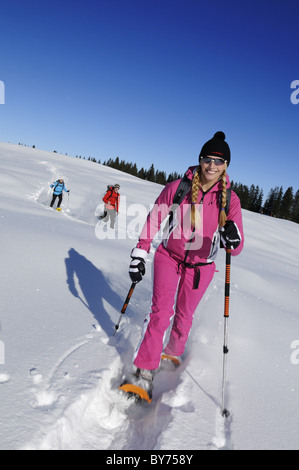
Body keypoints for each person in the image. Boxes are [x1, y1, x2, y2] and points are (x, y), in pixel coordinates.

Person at [121, 131, 244, 400]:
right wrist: (140, 252)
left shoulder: (230, 200)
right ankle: (144, 374)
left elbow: (236, 246)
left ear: (226, 166)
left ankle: (173, 353)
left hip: (202, 266)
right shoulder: (179, 188)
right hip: (169, 257)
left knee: (184, 315)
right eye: (207, 159)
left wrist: (232, 238)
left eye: (219, 161)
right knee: (160, 313)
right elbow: (154, 220)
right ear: (200, 160)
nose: (212, 165)